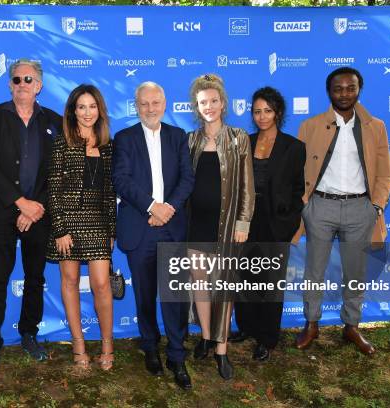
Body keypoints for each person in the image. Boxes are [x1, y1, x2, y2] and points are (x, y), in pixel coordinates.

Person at [293, 67, 390, 355]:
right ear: (329, 92)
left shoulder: (376, 126)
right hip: (320, 207)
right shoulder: (310, 126)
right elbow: (298, 171)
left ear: (359, 89)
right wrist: (305, 204)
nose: (345, 94)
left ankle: (351, 326)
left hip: (360, 208)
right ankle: (311, 324)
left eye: (351, 88)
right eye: (339, 89)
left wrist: (376, 206)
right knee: (314, 271)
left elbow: (385, 173)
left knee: (355, 271)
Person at [0, 59, 62, 377]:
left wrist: (34, 206)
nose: (22, 83)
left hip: (39, 214)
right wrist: (19, 203)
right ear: (10, 84)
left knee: (35, 278)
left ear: (39, 85)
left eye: (29, 79)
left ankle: (29, 333)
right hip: (2, 211)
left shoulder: (53, 120)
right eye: (17, 79)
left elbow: (56, 171)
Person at [112, 82, 194, 389]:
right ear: (136, 106)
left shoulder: (178, 137)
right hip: (140, 227)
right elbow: (121, 179)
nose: (150, 108)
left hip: (172, 227)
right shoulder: (125, 138)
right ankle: (149, 344)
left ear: (164, 104)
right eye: (144, 104)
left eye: (155, 103)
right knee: (144, 295)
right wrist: (151, 206)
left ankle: (176, 353)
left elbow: (188, 177)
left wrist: (168, 207)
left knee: (175, 295)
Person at [229, 87, 305, 361]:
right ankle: (246, 327)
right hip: (245, 220)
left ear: (278, 113)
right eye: (257, 111)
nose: (262, 117)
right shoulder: (243, 142)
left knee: (270, 281)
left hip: (276, 223)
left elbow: (298, 190)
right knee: (245, 278)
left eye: (268, 111)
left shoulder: (294, 147)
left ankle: (267, 337)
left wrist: (289, 223)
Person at [187, 73, 254, 380]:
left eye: (214, 101)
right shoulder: (191, 140)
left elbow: (247, 187)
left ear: (223, 103)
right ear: (196, 106)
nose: (209, 106)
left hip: (227, 225)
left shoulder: (239, 138)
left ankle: (222, 351)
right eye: (203, 102)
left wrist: (243, 222)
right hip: (195, 224)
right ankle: (204, 336)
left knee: (224, 285)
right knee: (200, 282)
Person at [47, 84, 116, 371]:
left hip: (98, 222)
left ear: (99, 110)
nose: (87, 112)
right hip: (68, 222)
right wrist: (60, 229)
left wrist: (112, 229)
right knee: (70, 281)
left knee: (101, 283)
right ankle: (78, 345)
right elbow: (53, 188)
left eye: (92, 106)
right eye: (81, 107)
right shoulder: (62, 141)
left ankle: (107, 344)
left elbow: (111, 191)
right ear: (73, 111)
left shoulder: (107, 144)